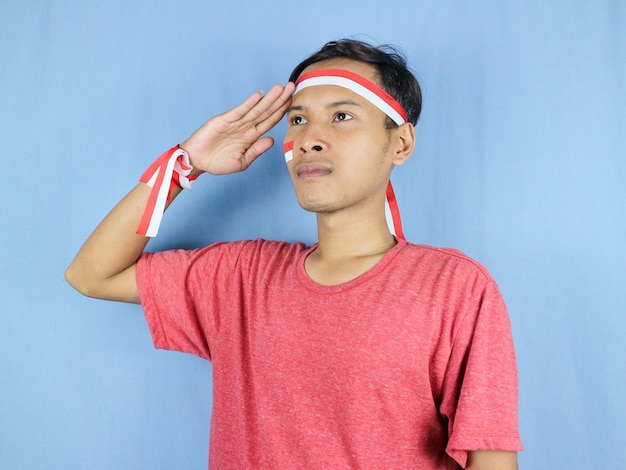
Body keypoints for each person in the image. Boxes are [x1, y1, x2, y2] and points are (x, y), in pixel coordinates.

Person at [66, 39, 523, 469]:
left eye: (342, 116)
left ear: (399, 143)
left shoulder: (453, 287)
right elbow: (92, 275)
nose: (309, 138)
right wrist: (185, 164)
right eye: (299, 119)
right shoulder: (241, 276)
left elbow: (491, 457)